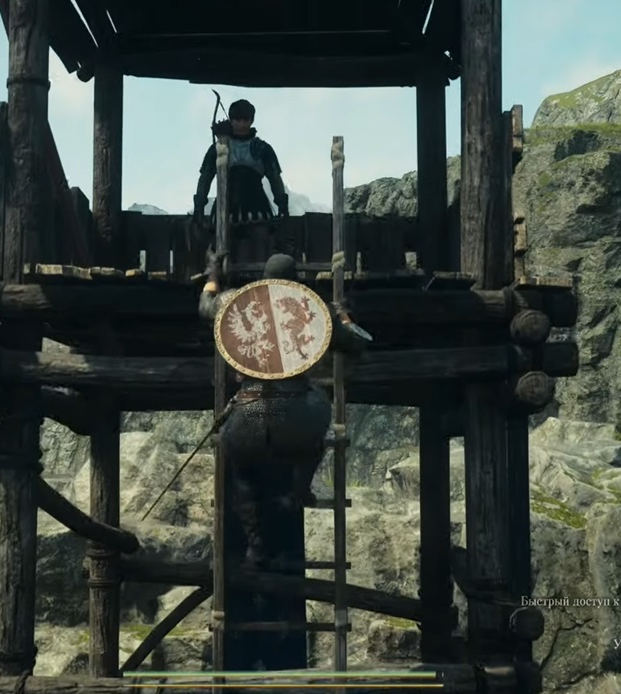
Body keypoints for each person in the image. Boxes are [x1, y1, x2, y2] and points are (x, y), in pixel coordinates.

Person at [198, 251, 368, 671]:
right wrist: (343, 316)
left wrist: (214, 276)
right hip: (297, 413)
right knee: (318, 427)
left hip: (249, 412)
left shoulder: (237, 300)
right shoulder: (314, 307)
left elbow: (205, 307)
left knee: (242, 470)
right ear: (296, 279)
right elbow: (360, 342)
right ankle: (298, 488)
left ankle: (255, 541)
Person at [192, 99, 289, 228]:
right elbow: (205, 177)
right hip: (224, 210)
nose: (242, 124)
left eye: (245, 120)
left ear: (251, 120)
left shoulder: (262, 148)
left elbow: (275, 178)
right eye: (238, 120)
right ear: (231, 120)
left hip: (257, 209)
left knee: (260, 235)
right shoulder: (219, 147)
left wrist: (282, 205)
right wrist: (199, 206)